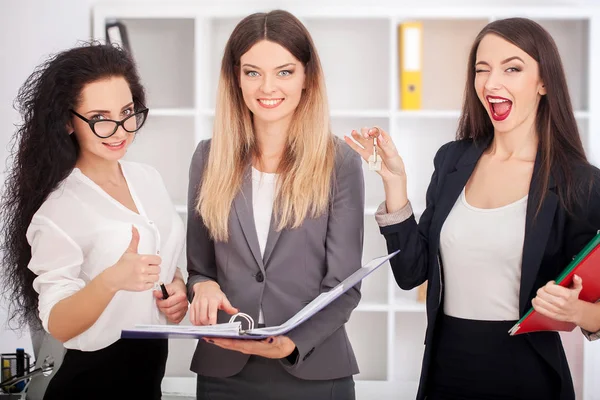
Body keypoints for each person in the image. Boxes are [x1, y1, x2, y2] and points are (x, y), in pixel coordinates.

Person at [345, 17, 600, 400]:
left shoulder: (580, 182)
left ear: (544, 81)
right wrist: (394, 183)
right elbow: (412, 273)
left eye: (512, 68)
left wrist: (578, 312)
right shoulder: (452, 160)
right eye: (483, 70)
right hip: (446, 369)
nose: (492, 83)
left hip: (528, 374)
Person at [186, 10, 364, 400]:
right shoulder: (207, 158)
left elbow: (344, 287)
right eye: (252, 72)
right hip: (224, 371)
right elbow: (199, 270)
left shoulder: (340, 163)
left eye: (284, 72)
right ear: (236, 79)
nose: (267, 86)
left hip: (312, 368)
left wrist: (292, 340)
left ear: (307, 79)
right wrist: (204, 288)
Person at [0, 42, 187, 400]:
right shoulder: (59, 208)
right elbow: (57, 321)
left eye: (128, 111)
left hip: (149, 378)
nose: (120, 130)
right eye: (100, 118)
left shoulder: (148, 178)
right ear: (69, 122)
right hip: (93, 382)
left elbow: (163, 258)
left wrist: (175, 289)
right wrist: (111, 280)